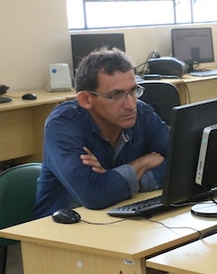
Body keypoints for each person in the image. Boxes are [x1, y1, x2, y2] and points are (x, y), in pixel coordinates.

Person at [34, 48, 170, 217]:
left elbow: (181, 166)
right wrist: (141, 164)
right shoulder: (63, 126)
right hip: (62, 230)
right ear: (86, 100)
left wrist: (116, 180)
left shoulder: (142, 113)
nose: (130, 104)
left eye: (133, 91)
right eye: (116, 95)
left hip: (120, 218)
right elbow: (95, 195)